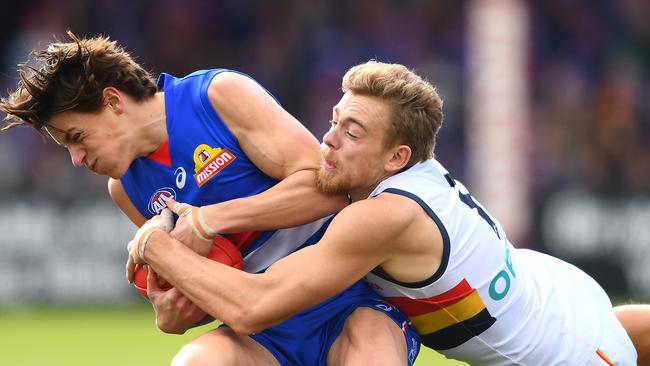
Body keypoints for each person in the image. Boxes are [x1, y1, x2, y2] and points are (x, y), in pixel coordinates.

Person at [129, 60, 643, 365]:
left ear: (395, 158)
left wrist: (158, 246)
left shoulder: (385, 216)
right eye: (334, 120)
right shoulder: (398, 172)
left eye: (352, 132)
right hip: (558, 290)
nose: (327, 139)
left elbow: (252, 308)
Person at [0, 33, 420, 366]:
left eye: (76, 138)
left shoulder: (215, 97)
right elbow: (205, 285)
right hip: (263, 332)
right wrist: (174, 312)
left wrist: (210, 219)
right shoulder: (125, 188)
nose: (76, 159)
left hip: (354, 298)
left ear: (113, 101)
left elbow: (328, 188)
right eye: (66, 149)